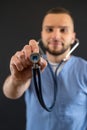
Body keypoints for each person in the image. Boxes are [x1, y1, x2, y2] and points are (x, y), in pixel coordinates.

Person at [3, 7, 87, 130]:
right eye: (49, 29)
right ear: (42, 34)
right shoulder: (30, 64)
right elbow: (9, 93)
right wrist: (18, 80)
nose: (55, 36)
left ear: (73, 37)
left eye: (63, 30)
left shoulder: (84, 69)